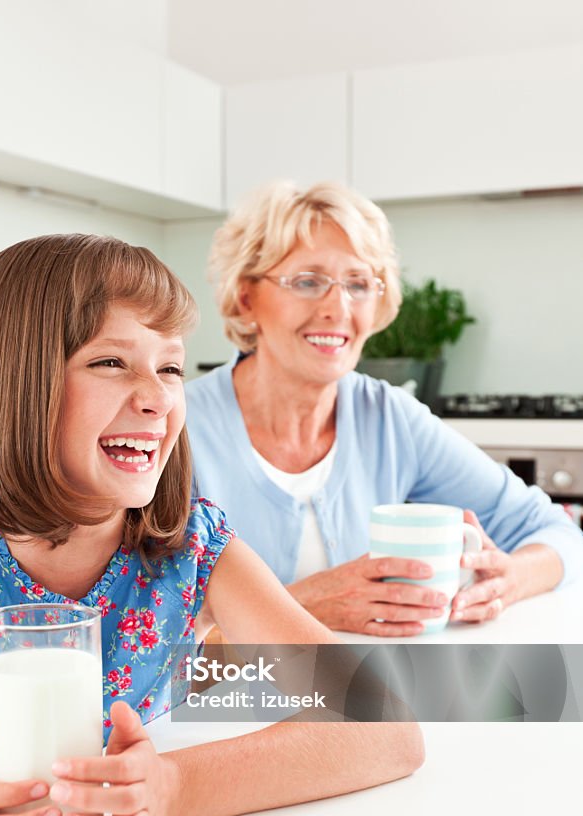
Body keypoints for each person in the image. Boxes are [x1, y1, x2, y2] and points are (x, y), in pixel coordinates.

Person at [0, 234, 423, 816]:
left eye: (169, 368)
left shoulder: (191, 546)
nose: (158, 399)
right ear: (13, 384)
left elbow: (385, 726)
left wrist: (170, 789)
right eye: (111, 361)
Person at [186, 181, 583, 636]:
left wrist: (507, 581)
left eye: (358, 284)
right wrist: (305, 606)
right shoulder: (175, 428)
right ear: (246, 297)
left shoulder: (390, 418)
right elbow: (133, 641)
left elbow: (557, 532)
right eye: (308, 281)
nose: (338, 308)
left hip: (357, 698)